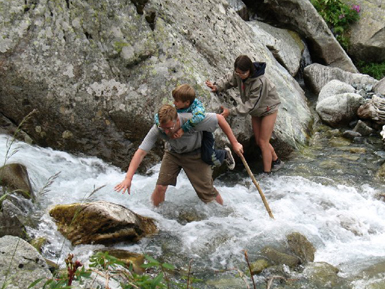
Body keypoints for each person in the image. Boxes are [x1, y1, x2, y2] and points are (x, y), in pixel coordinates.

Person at [114, 104, 243, 206]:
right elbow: (141, 152)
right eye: (162, 128)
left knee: (207, 193)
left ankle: (224, 213)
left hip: (195, 154)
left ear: (177, 120)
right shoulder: (158, 128)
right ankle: (154, 215)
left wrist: (235, 143)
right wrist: (128, 178)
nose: (165, 132)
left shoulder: (191, 119)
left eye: (169, 128)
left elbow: (219, 118)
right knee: (160, 186)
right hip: (173, 154)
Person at [205, 55, 284, 174]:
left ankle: (267, 173)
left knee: (263, 142)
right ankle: (277, 161)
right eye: (237, 72)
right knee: (258, 141)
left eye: (242, 73)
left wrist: (230, 111)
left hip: (268, 109)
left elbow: (251, 105)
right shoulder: (238, 74)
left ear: (249, 71)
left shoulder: (260, 82)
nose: (239, 75)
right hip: (256, 111)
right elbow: (229, 80)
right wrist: (217, 86)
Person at [171, 84, 235, 170]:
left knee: (208, 157)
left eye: (176, 101)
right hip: (191, 133)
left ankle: (225, 154)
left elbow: (199, 116)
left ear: (187, 102)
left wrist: (183, 129)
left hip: (204, 131)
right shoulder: (177, 106)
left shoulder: (196, 105)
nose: (174, 103)